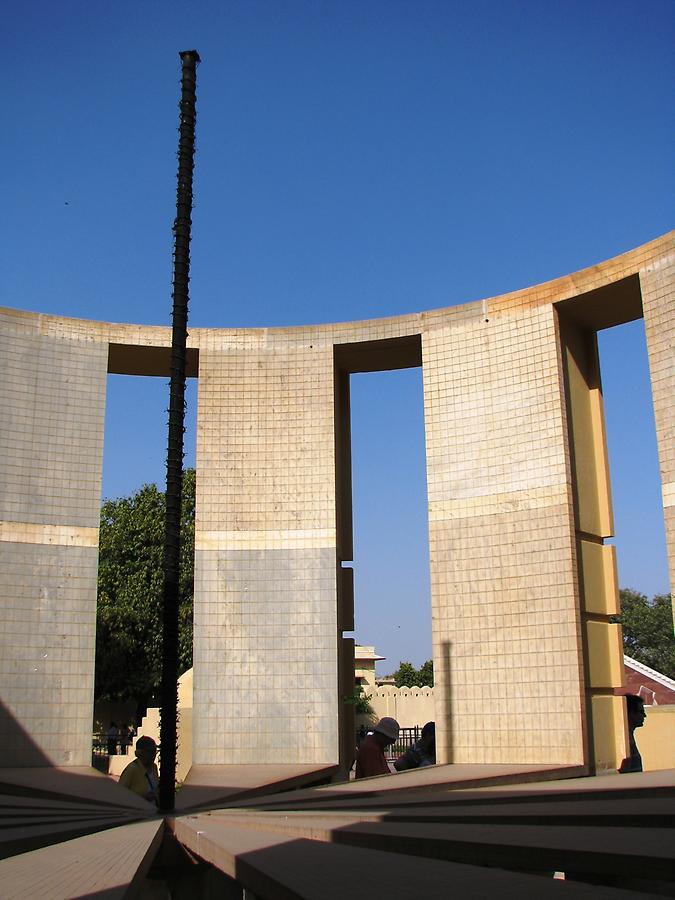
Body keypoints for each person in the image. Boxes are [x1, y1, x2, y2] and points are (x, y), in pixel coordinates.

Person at [118, 736, 160, 803]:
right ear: (140, 753)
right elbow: (119, 796)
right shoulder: (132, 769)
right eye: (150, 751)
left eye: (155, 751)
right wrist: (144, 798)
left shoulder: (154, 767)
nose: (154, 755)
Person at [618, 694, 646, 773]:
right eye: (641, 712)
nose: (644, 716)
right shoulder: (624, 740)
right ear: (630, 713)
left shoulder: (628, 736)